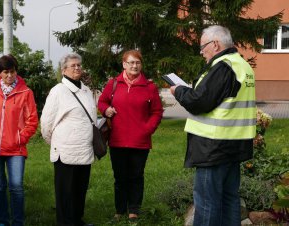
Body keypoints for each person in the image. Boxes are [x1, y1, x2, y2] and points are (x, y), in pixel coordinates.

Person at [170, 25, 256, 226]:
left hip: (213, 148)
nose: (201, 52)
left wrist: (179, 91)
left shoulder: (223, 66)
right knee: (229, 200)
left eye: (202, 47)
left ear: (215, 44)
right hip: (235, 146)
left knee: (207, 202)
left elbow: (199, 102)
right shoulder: (242, 65)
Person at [98, 50, 163, 221]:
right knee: (119, 177)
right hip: (117, 140)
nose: (135, 66)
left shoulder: (149, 87)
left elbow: (157, 112)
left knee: (136, 176)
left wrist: (147, 129)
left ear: (141, 65)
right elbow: (102, 101)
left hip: (140, 141)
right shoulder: (113, 84)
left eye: (138, 63)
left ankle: (133, 210)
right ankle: (119, 211)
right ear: (124, 64)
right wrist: (106, 110)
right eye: (131, 62)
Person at [0, 54, 38, 226]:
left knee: (16, 186)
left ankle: (18, 222)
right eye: (6, 72)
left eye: (12, 72)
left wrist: (20, 138)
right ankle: (3, 221)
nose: (10, 76)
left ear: (16, 71)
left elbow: (32, 120)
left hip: (15, 149)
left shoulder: (26, 92)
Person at [41, 53, 96, 226]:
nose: (77, 68)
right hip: (65, 151)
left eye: (79, 65)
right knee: (66, 192)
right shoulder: (58, 91)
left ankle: (77, 220)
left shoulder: (86, 90)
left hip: (85, 149)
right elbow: (46, 123)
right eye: (73, 65)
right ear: (64, 70)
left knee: (80, 190)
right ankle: (65, 223)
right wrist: (57, 143)